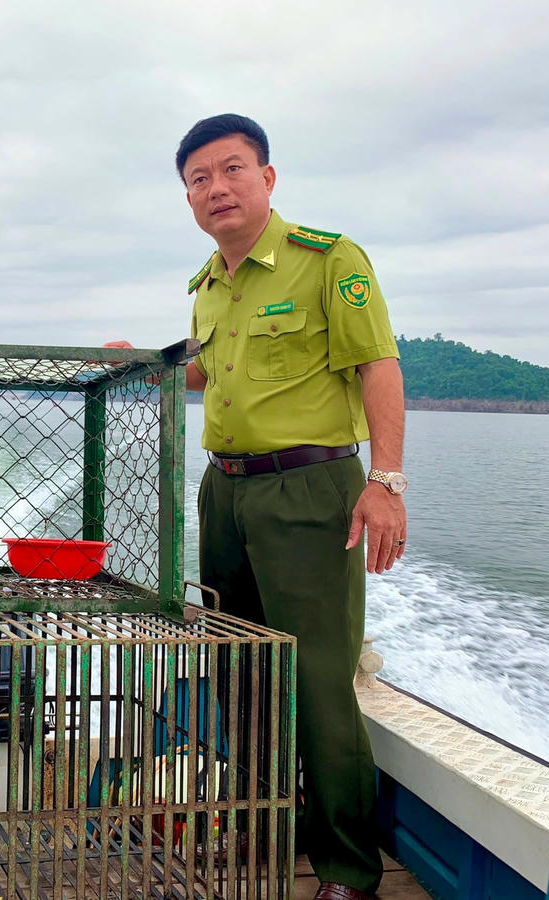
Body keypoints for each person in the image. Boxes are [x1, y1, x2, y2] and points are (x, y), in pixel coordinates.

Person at [110, 114, 406, 900]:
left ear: (267, 178)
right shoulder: (208, 283)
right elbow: (211, 373)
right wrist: (152, 366)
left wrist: (388, 482)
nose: (216, 188)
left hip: (311, 490)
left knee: (313, 677)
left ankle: (347, 868)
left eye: (231, 169)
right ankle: (258, 829)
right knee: (238, 669)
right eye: (198, 180)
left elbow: (377, 363)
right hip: (225, 489)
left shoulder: (327, 261)